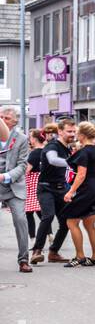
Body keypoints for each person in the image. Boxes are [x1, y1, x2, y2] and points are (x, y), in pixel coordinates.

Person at [62, 122, 95, 267]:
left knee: (71, 221)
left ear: (82, 136)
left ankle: (80, 256)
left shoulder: (84, 152)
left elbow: (81, 175)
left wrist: (70, 192)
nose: (75, 135)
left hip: (88, 189)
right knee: (90, 224)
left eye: (77, 132)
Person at [30, 119, 74, 265]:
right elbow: (53, 160)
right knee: (48, 216)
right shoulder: (52, 146)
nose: (72, 134)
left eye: (74, 131)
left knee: (66, 221)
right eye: (69, 131)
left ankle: (53, 252)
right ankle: (37, 250)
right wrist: (74, 161)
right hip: (46, 187)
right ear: (60, 132)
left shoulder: (67, 147)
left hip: (61, 187)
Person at [0, 107, 31, 273]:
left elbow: (22, 165)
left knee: (20, 220)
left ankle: (24, 259)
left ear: (14, 121)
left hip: (13, 186)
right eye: (0, 117)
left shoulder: (22, 139)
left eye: (6, 118)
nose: (2, 120)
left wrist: (5, 176)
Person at [23, 129, 43, 241]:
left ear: (34, 139)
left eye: (30, 137)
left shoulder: (34, 153)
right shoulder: (46, 151)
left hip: (32, 184)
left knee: (29, 212)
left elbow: (27, 170)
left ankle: (32, 238)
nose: (29, 139)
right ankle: (49, 234)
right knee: (41, 212)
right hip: (42, 182)